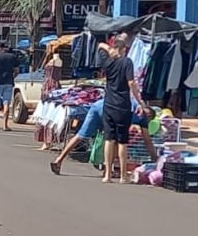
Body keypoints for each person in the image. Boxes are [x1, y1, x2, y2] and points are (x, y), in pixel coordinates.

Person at [49, 98, 158, 175]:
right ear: (149, 117)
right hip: (111, 111)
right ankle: (107, 171)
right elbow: (147, 141)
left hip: (98, 106)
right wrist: (156, 160)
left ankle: (58, 160)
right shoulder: (142, 117)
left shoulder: (134, 104)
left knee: (80, 135)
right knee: (116, 141)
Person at [99, 42, 150, 183]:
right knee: (122, 141)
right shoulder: (127, 62)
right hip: (122, 106)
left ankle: (107, 175)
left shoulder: (107, 62)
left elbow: (100, 45)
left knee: (109, 139)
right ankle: (123, 176)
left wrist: (108, 49)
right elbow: (131, 83)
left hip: (108, 105)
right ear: (123, 49)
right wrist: (140, 102)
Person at [0, 45, 19, 131]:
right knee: (6, 103)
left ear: (0, 48)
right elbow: (17, 71)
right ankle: (5, 125)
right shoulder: (13, 57)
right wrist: (12, 77)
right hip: (9, 82)